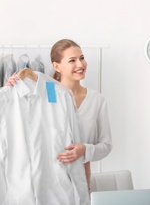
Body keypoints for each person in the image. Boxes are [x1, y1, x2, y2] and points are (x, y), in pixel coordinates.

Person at [7, 39, 112, 191]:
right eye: (72, 60)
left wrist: (85, 150)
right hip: (46, 183)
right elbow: (19, 124)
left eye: (82, 58)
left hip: (82, 182)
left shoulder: (97, 100)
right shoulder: (47, 93)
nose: (80, 64)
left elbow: (106, 145)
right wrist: (11, 91)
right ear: (57, 66)